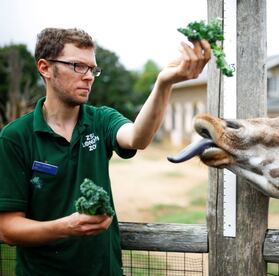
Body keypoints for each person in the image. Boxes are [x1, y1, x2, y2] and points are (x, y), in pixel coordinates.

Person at [0, 27, 211, 275]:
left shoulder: (100, 120)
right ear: (45, 68)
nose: (88, 76)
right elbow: (7, 229)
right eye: (78, 66)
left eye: (92, 69)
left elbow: (137, 138)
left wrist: (164, 82)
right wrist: (67, 226)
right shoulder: (15, 137)